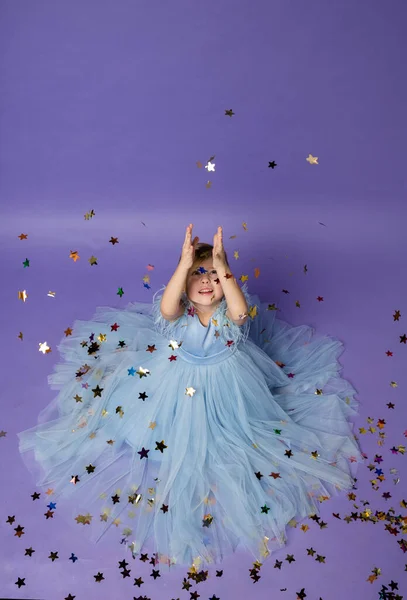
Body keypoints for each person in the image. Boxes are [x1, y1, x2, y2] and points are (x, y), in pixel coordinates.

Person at [17, 223, 364, 571]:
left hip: (225, 383)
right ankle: (171, 426)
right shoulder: (179, 316)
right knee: (161, 425)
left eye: (213, 276)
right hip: (177, 380)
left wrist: (223, 265)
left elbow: (242, 312)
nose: (207, 281)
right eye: (198, 275)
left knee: (233, 431)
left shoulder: (229, 319)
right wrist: (184, 263)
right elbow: (167, 307)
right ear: (185, 285)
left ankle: (223, 424)